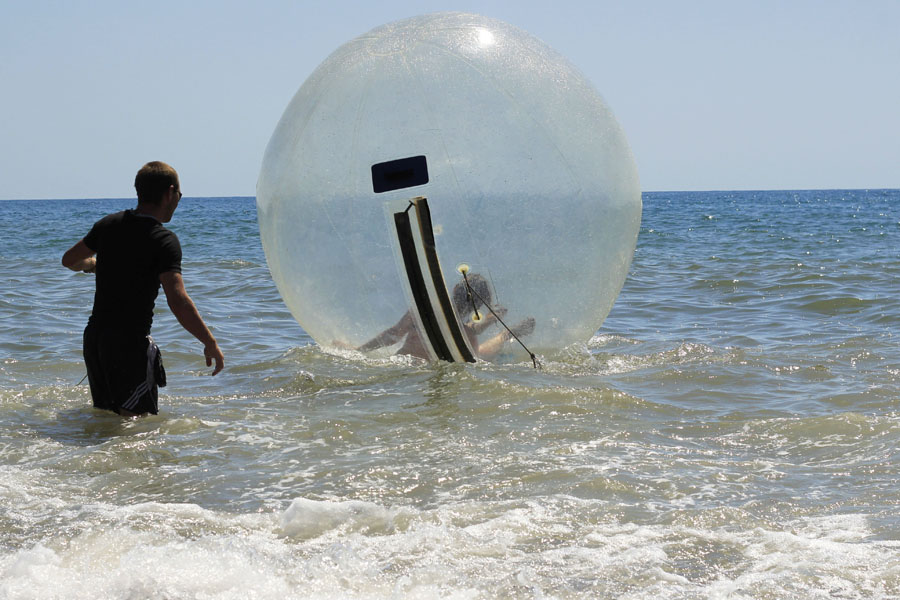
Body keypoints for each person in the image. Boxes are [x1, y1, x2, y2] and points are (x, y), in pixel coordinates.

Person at [62, 161, 224, 416]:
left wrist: (93, 264)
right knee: (137, 425)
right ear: (170, 193)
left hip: (95, 340)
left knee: (107, 419)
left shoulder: (108, 224)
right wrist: (209, 341)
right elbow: (178, 300)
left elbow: (70, 260)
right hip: (128, 344)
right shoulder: (163, 240)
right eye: (180, 194)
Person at [357, 273, 535, 360]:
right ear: (479, 305)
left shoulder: (421, 310)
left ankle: (500, 330)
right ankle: (504, 334)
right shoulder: (467, 335)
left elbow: (394, 334)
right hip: (434, 365)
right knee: (478, 352)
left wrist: (359, 351)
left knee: (471, 339)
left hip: (404, 365)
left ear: (455, 289)